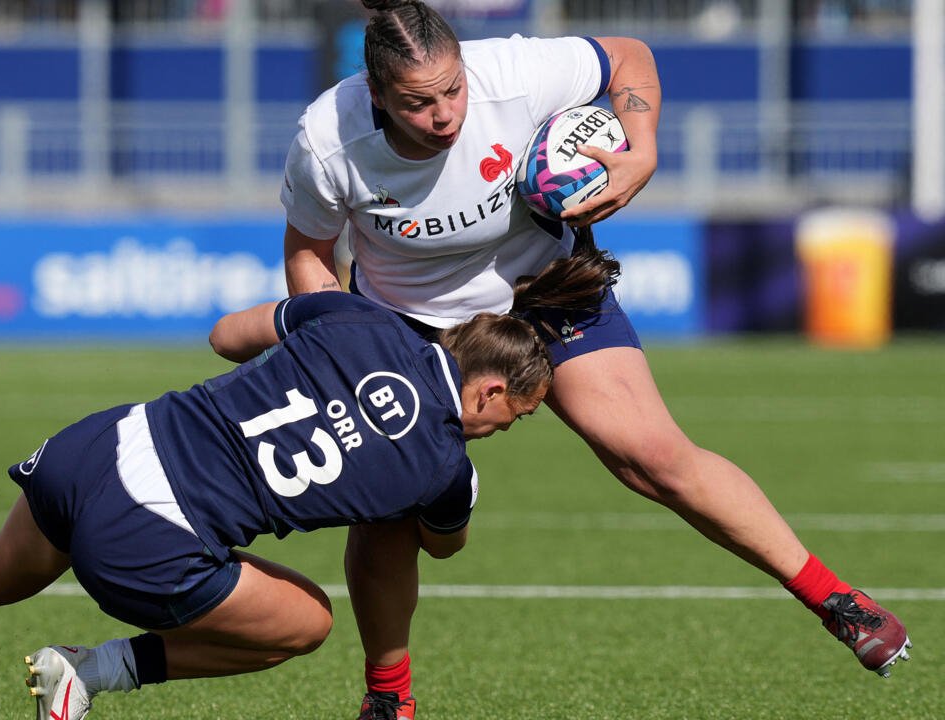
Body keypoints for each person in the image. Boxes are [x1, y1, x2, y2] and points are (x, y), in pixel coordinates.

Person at [274, 1, 913, 717]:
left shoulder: (512, 75)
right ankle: (389, 699)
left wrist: (641, 147)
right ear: (377, 91)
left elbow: (628, 55)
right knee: (389, 513)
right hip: (411, 327)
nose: (446, 114)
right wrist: (335, 347)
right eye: (419, 103)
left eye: (453, 90)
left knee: (650, 454)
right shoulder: (328, 138)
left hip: (542, 287)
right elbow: (309, 253)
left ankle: (837, 600)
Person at [0, 258, 618, 720]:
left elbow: (227, 336)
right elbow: (440, 544)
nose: (507, 430)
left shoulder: (358, 316)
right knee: (307, 625)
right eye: (519, 416)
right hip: (153, 535)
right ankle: (92, 670)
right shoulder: (446, 470)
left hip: (106, 442)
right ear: (492, 390)